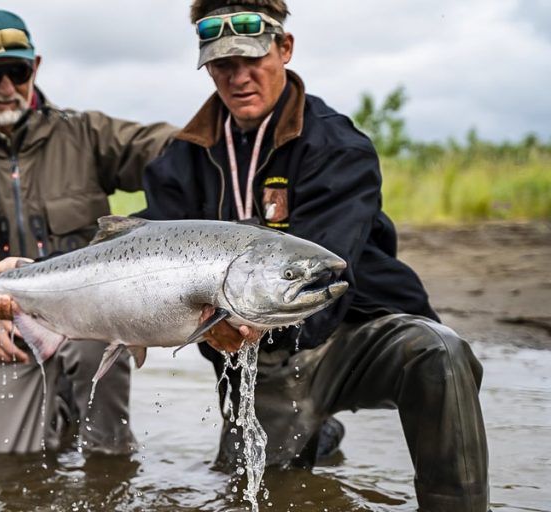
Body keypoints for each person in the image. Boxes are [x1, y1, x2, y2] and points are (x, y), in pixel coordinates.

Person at [138, 1, 490, 511]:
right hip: (255, 360)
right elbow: (141, 258)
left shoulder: (337, 144)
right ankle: (315, 434)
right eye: (222, 66)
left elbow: (327, 272)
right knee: (252, 496)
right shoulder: (179, 161)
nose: (238, 78)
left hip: (352, 333)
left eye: (251, 60)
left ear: (285, 48)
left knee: (438, 352)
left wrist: (257, 323)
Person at [0, 8, 175, 458]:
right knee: (8, 464)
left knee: (109, 456)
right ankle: (51, 420)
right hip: (5, 330)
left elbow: (173, 149)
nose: (6, 88)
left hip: (91, 323)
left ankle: (103, 459)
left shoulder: (84, 133)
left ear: (36, 67)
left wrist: (227, 125)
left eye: (17, 71)